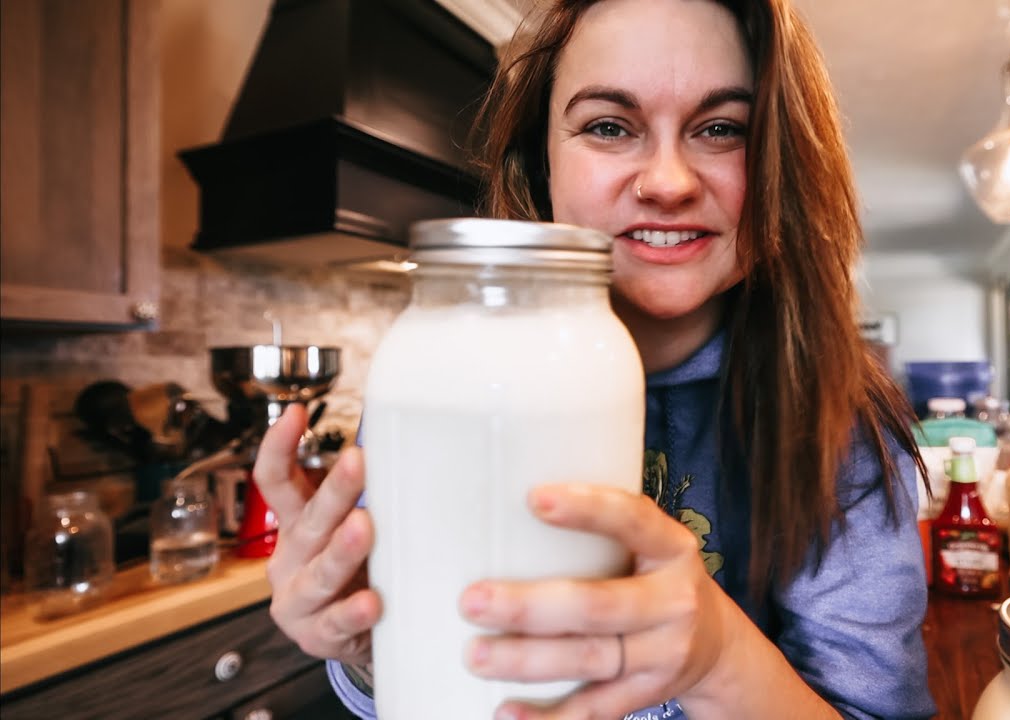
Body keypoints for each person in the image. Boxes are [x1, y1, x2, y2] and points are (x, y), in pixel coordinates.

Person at [254, 0, 936, 717]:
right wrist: (374, 650)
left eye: (723, 129)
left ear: (781, 166)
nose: (668, 182)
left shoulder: (844, 432)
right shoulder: (440, 383)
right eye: (609, 126)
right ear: (540, 163)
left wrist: (719, 657)